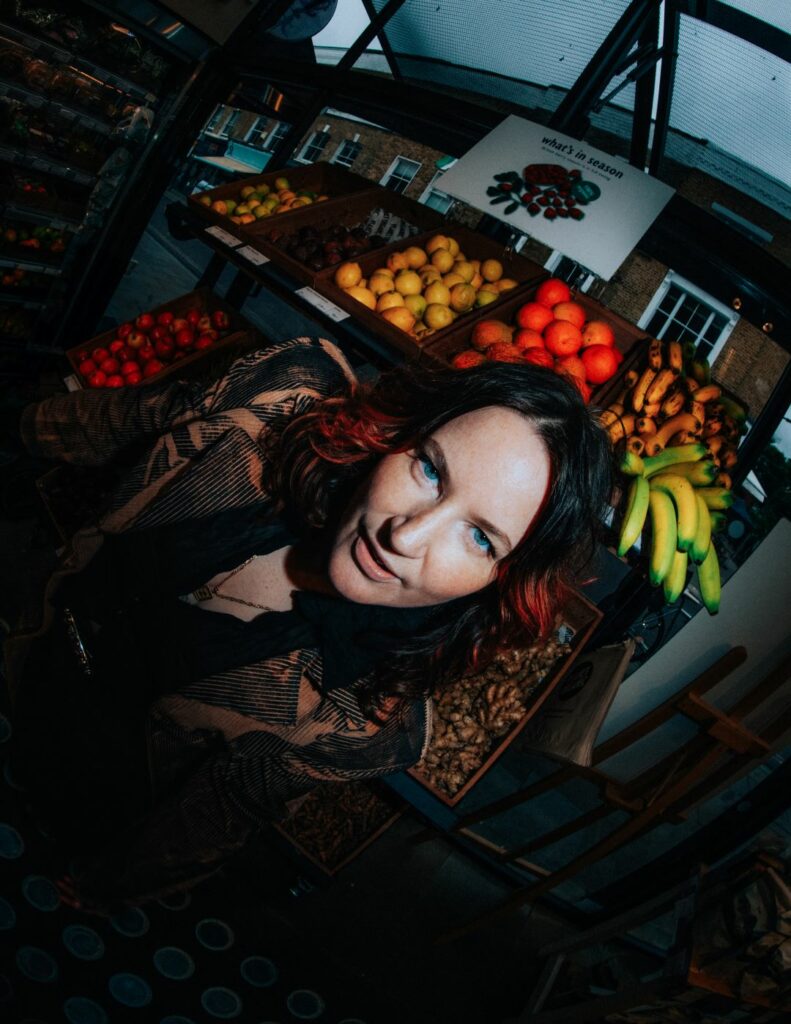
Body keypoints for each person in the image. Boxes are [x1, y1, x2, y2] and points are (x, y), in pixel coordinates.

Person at [3, 334, 612, 913]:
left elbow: (216, 811)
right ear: (402, 432)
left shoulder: (368, 718)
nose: (406, 534)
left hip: (79, 776)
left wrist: (114, 880)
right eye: (429, 468)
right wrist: (21, 424)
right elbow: (118, 422)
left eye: (479, 537)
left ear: (504, 580)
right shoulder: (284, 395)